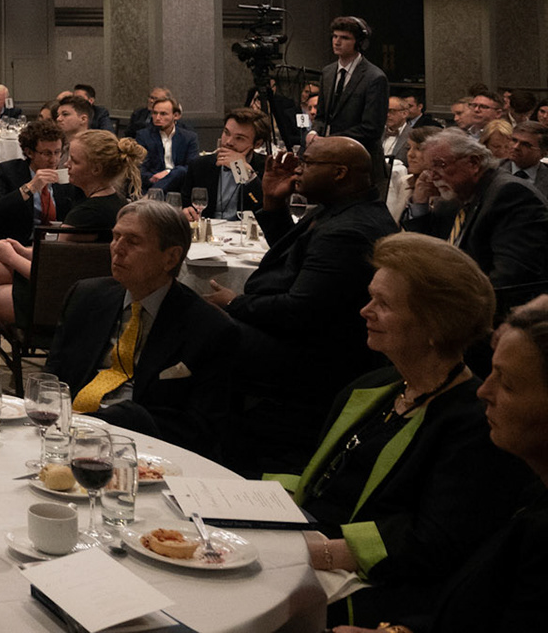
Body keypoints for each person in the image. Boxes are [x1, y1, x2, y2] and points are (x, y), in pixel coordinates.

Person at [276, 233, 525, 629]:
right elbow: (316, 474)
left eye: (383, 304)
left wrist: (307, 553)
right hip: (306, 545)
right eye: (370, 296)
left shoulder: (473, 424)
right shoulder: (374, 386)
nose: (364, 311)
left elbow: (433, 544)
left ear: (434, 326)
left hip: (374, 587)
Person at [330, 297, 548, 633]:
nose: (484, 391)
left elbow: (432, 546)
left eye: (506, 383)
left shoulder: (468, 429)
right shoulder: (373, 384)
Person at [207, 138, 396, 472]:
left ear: (339, 173)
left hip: (313, 360)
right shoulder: (342, 209)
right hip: (298, 339)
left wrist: (235, 302)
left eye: (307, 163)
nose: (297, 170)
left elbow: (300, 312)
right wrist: (273, 205)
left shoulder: (349, 230)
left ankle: (204, 438)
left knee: (205, 327)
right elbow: (288, 263)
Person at [0, 130, 143, 369]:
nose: (66, 164)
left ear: (95, 170)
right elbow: (60, 258)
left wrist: (11, 257)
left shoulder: (86, 214)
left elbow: (50, 276)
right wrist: (21, 250)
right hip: (89, 296)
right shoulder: (115, 204)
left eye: (73, 159)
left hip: (62, 302)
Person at [47, 199, 239, 458]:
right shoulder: (86, 297)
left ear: (170, 257)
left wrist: (113, 420)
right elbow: (52, 380)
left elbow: (201, 429)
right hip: (65, 436)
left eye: (133, 241)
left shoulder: (208, 328)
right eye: (116, 237)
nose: (117, 248)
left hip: (144, 451)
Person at [401, 127, 548, 293]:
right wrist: (420, 203)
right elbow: (425, 252)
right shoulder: (453, 198)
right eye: (429, 168)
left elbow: (509, 279)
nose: (432, 176)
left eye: (440, 165)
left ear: (474, 163)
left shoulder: (511, 195)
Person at [0, 118, 81, 246]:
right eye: (46, 153)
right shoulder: (8, 172)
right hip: (16, 245)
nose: (54, 160)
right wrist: (30, 188)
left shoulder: (65, 177)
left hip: (57, 247)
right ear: (29, 152)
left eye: (57, 152)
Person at [318, 15, 390, 177]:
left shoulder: (375, 77)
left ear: (359, 43)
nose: (337, 42)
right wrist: (314, 133)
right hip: (332, 158)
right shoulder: (328, 72)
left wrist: (329, 139)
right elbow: (321, 117)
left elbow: (371, 129)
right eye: (335, 36)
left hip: (361, 160)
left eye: (344, 38)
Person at [163, 106, 265, 220]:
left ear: (257, 144)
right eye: (226, 133)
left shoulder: (266, 167)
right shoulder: (200, 166)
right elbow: (186, 205)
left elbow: (265, 209)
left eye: (239, 138)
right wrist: (186, 212)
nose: (228, 142)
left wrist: (243, 171)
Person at [135, 93, 199, 187]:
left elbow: (191, 167)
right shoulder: (143, 136)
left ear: (176, 116)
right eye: (155, 113)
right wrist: (155, 178)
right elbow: (140, 168)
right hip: (152, 183)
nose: (157, 118)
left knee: (180, 171)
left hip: (179, 184)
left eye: (163, 114)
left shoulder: (189, 137)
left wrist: (168, 173)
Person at [511, 121, 546, 198]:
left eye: (525, 145)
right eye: (514, 140)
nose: (515, 147)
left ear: (543, 153)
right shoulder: (492, 170)